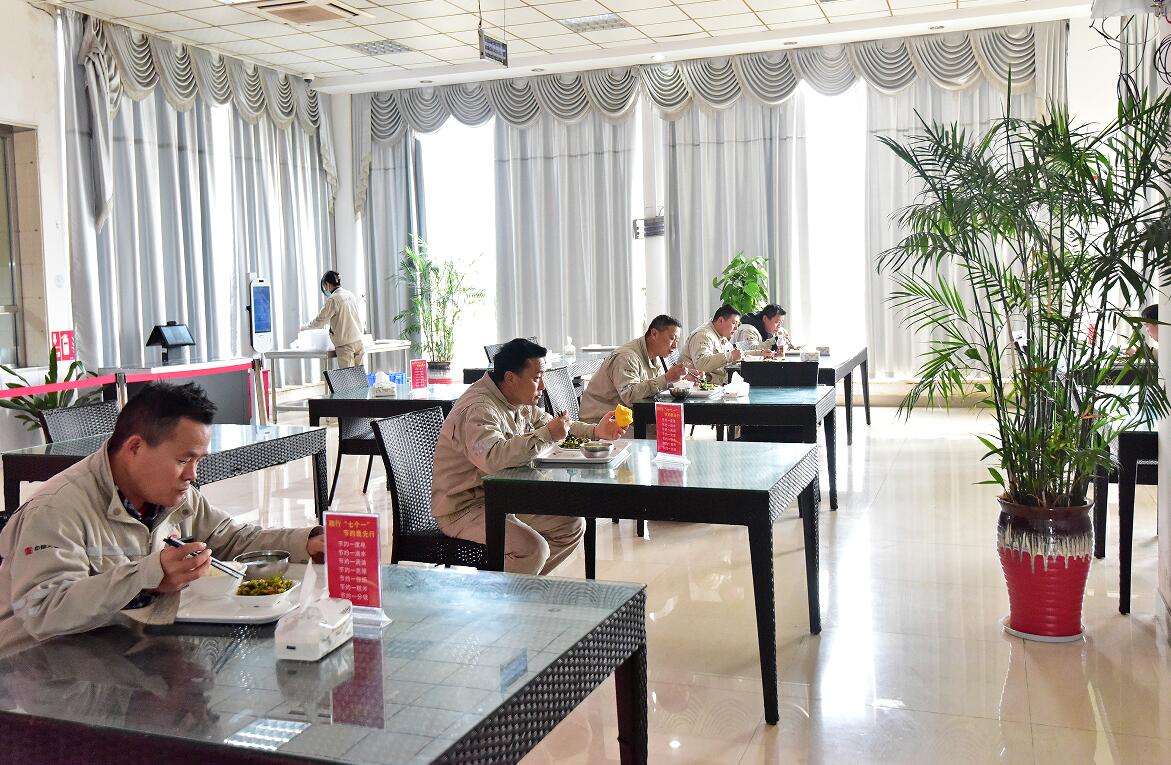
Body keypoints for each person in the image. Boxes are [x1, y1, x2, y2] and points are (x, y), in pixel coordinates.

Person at [0, 383, 325, 654]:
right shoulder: (56, 510)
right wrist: (147, 576)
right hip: (39, 675)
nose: (192, 474)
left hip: (123, 654)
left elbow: (232, 539)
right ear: (135, 447)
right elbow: (43, 610)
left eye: (198, 460)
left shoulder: (174, 496)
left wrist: (306, 542)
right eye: (183, 459)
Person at [432, 338, 627, 574]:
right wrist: (547, 434)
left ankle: (519, 587)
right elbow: (492, 458)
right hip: (466, 508)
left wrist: (596, 431)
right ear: (510, 378)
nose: (543, 385)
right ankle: (506, 593)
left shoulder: (515, 399)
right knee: (532, 549)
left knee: (570, 526)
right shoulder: (479, 409)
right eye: (537, 378)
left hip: (504, 497)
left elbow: (557, 425)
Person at [579, 315, 695, 423]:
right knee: (665, 431)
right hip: (602, 421)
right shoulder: (626, 357)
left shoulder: (654, 355)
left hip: (629, 417)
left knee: (672, 427)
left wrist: (682, 380)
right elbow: (630, 396)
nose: (675, 346)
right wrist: (666, 378)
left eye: (676, 341)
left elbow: (654, 388)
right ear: (654, 334)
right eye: (672, 339)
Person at [301, 270, 366, 368]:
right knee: (359, 375)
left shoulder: (333, 300)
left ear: (327, 284)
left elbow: (320, 321)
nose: (325, 289)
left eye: (324, 286)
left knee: (348, 375)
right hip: (358, 340)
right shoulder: (350, 295)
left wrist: (304, 327)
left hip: (345, 344)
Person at [680, 304, 744, 385]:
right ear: (721, 320)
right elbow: (702, 365)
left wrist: (758, 353)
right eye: (734, 323)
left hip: (714, 384)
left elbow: (735, 353)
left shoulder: (720, 335)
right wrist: (730, 356)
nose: (736, 328)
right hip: (697, 387)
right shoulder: (703, 335)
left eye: (738, 325)